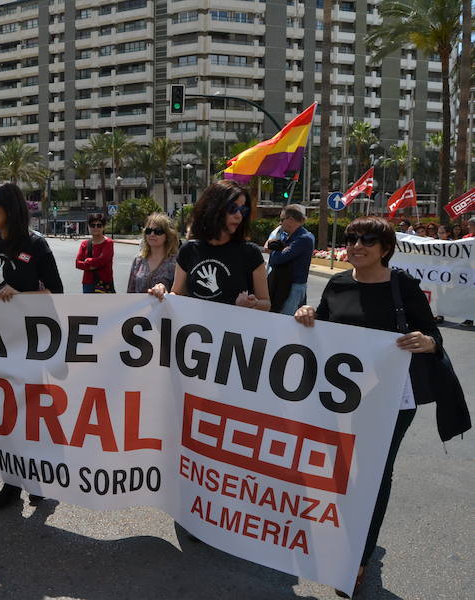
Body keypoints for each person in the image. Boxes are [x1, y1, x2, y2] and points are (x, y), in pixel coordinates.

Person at [293, 216, 443, 597]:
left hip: (392, 399)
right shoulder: (337, 283)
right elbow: (321, 332)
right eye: (351, 238)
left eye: (368, 239)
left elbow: (433, 335)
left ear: (386, 248)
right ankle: (346, 535)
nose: (357, 245)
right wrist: (306, 316)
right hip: (342, 398)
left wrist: (425, 341)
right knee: (344, 469)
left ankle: (357, 558)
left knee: (374, 472)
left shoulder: (403, 286)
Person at [0, 182, 63, 510]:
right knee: (0, 415)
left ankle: (36, 482)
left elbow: (56, 293)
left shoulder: (36, 245)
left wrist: (21, 295)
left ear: (9, 207)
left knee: (26, 417)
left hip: (27, 345)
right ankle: (10, 484)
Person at [150, 180, 270, 311]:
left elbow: (266, 303)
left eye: (243, 210)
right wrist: (162, 293)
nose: (239, 215)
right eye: (233, 208)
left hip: (235, 329)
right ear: (214, 208)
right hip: (196, 329)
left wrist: (252, 304)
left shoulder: (251, 253)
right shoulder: (188, 250)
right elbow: (178, 294)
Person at [264, 204, 315, 314]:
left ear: (291, 219)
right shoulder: (287, 235)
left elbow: (276, 260)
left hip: (293, 287)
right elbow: (269, 246)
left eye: (282, 220)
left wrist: (274, 251)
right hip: (283, 285)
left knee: (285, 322)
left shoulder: (304, 238)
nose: (280, 223)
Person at [126, 212, 180, 293]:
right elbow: (130, 292)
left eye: (157, 231)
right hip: (140, 305)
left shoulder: (175, 263)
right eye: (148, 231)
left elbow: (178, 295)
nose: (152, 234)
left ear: (167, 235)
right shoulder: (138, 260)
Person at [75, 213, 114, 293]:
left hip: (104, 283)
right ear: (89, 227)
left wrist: (88, 261)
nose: (96, 227)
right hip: (88, 284)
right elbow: (78, 263)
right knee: (88, 305)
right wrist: (92, 266)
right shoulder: (84, 244)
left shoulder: (108, 243)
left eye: (99, 225)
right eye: (93, 225)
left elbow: (102, 260)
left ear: (103, 227)